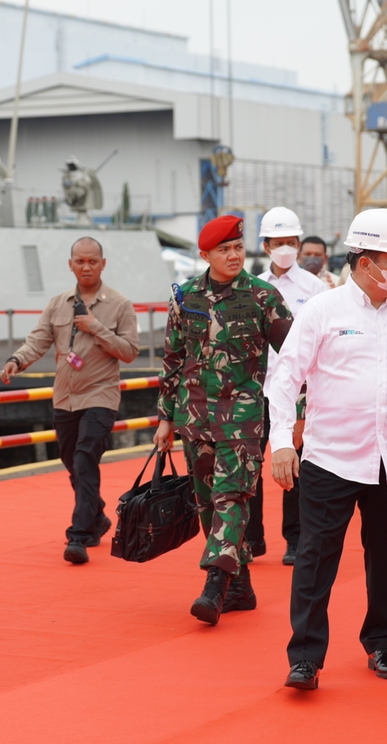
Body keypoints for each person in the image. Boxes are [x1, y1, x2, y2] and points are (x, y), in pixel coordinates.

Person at [268, 209, 387, 691]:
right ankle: (306, 658)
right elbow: (283, 379)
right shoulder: (324, 309)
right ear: (362, 261)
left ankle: (383, 644)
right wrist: (280, 443)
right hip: (330, 457)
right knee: (316, 559)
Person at [154, 214, 293, 625]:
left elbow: (297, 359)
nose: (233, 256)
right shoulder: (186, 297)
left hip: (243, 419)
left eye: (237, 248)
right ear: (205, 255)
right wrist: (165, 418)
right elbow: (173, 358)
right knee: (205, 503)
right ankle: (242, 585)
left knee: (231, 498)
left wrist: (300, 414)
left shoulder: (264, 297)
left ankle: (214, 584)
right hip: (194, 418)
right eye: (224, 250)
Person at [2, 236, 141, 564]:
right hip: (65, 397)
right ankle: (97, 517)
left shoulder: (119, 305)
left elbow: (131, 352)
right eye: (80, 261)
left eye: (93, 261)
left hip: (101, 395)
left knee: (84, 459)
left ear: (103, 264)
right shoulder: (57, 304)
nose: (86, 266)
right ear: (71, 265)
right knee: (72, 463)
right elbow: (38, 340)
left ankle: (78, 537)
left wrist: (97, 329)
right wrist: (17, 361)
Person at [247, 206, 329, 563]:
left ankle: (295, 539)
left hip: (296, 392)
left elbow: (319, 349)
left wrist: (304, 407)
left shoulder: (315, 289)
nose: (285, 248)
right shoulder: (254, 288)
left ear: (298, 243)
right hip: (255, 390)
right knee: (249, 465)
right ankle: (251, 539)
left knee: (294, 463)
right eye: (277, 242)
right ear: (265, 246)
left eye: (290, 242)